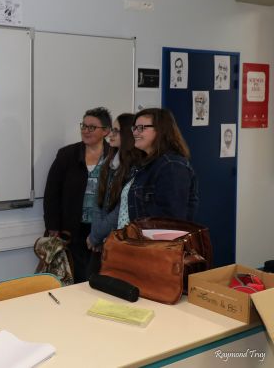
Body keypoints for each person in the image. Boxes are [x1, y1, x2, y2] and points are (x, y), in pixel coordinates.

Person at [43, 107, 111, 283]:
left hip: (103, 230)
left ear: (106, 131)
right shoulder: (67, 154)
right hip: (72, 230)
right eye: (84, 126)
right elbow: (52, 192)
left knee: (100, 278)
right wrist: (53, 227)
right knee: (76, 279)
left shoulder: (115, 156)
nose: (85, 131)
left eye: (91, 127)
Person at [123, 108, 198, 222]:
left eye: (141, 128)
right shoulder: (144, 164)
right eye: (134, 128)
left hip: (154, 239)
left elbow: (171, 221)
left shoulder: (172, 166)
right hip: (137, 238)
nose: (135, 132)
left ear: (160, 130)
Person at [86, 113, 144, 258]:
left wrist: (96, 236)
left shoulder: (135, 166)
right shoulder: (109, 162)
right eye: (112, 130)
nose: (110, 134)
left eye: (116, 131)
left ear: (127, 134)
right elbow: (98, 202)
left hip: (119, 239)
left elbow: (120, 210)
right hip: (101, 238)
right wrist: (96, 235)